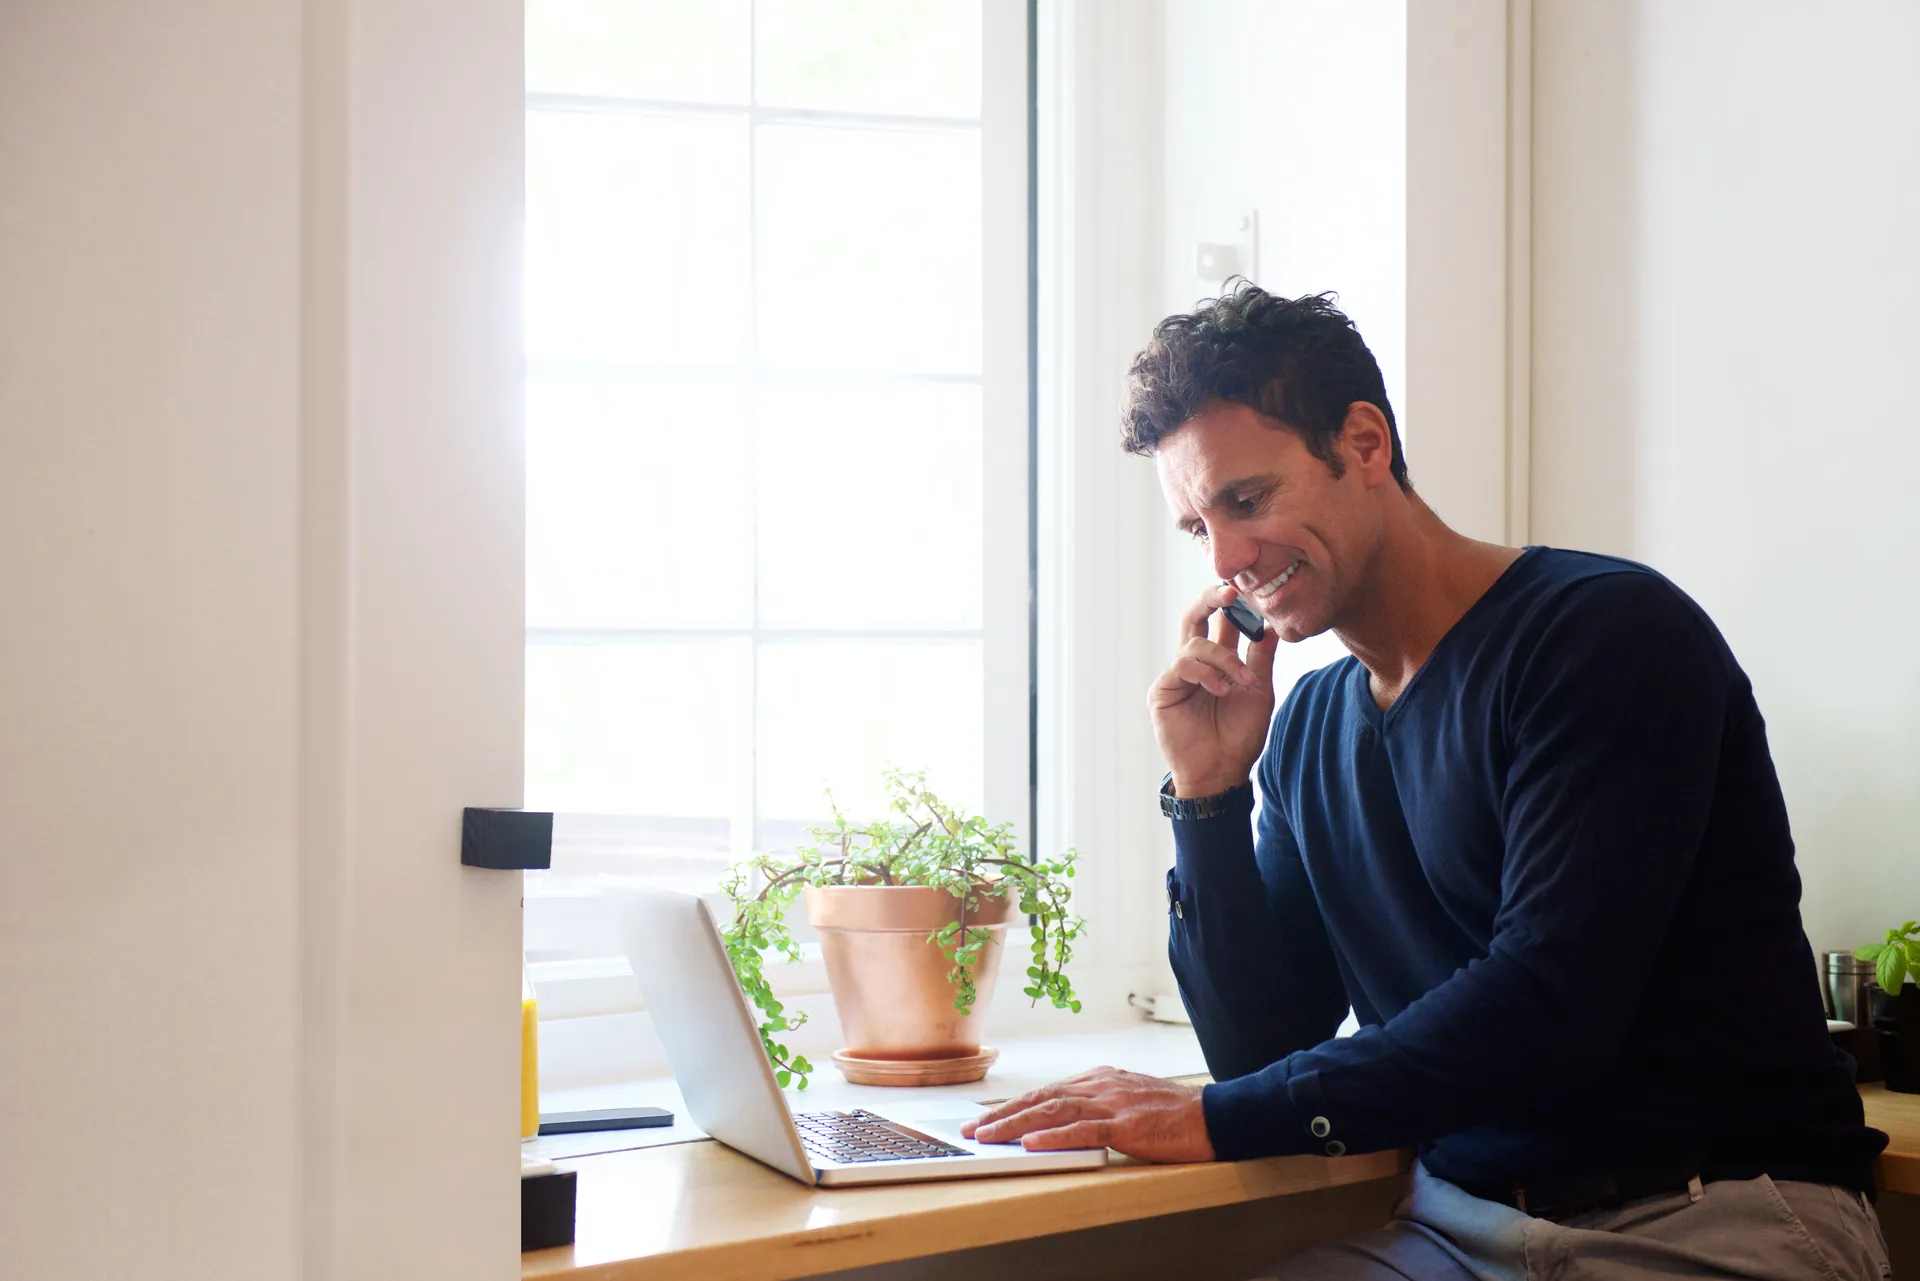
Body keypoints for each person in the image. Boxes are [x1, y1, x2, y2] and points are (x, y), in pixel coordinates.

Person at [962, 285, 1892, 1278]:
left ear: (1364, 445)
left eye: (1247, 500)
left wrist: (1217, 1117)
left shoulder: (1605, 635)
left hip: (1710, 1215)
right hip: (1455, 1227)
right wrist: (1209, 798)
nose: (1228, 560)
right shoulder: (1312, 727)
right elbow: (1261, 1042)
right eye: (1197, 528)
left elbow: (1550, 1006)